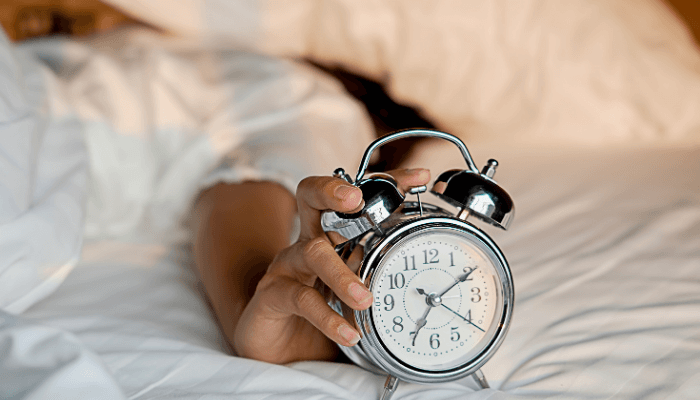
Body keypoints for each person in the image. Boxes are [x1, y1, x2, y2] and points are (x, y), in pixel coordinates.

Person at [0, 0, 432, 365]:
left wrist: (261, 310)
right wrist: (252, 309)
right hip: (37, 127)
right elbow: (248, 194)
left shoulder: (194, 55)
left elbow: (254, 191)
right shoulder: (318, 104)